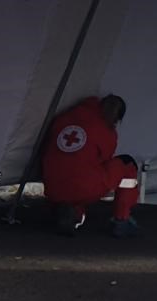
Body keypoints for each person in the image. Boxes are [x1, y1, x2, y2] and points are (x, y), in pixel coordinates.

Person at [40, 94, 139, 238]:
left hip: (52, 186)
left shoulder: (67, 117)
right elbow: (105, 160)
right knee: (127, 164)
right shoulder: (106, 130)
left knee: (77, 174)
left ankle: (71, 212)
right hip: (83, 187)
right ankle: (121, 220)